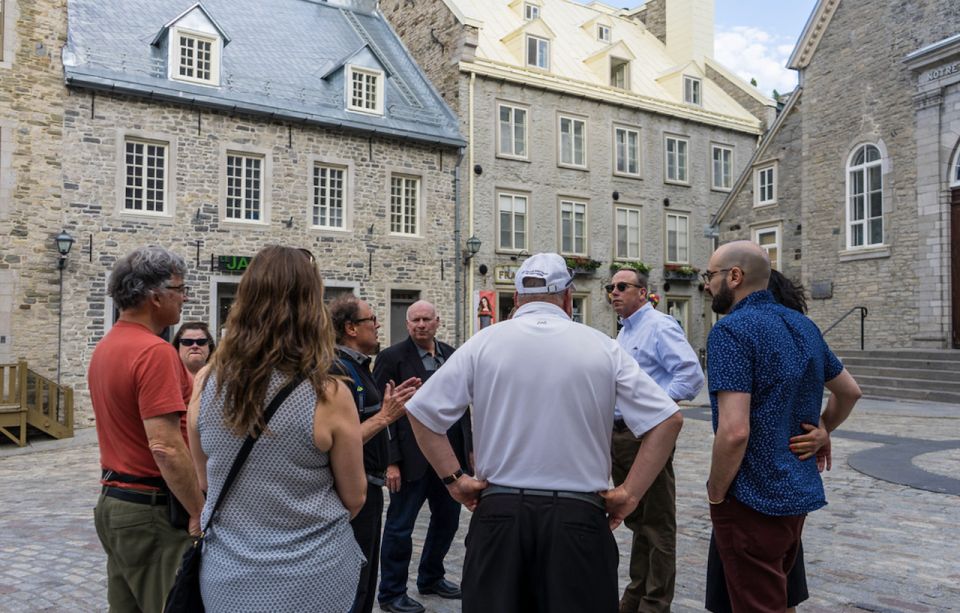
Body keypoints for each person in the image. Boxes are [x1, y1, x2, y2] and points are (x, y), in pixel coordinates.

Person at [403, 253, 684, 613]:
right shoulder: (602, 346)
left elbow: (422, 413)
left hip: (500, 513)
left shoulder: (484, 343)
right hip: (577, 516)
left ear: (518, 298)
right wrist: (629, 494)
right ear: (568, 297)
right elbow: (668, 419)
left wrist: (455, 480)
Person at [186, 245, 366, 613]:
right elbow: (355, 498)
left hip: (229, 575)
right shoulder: (329, 394)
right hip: (315, 573)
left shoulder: (206, 384)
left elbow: (204, 479)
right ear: (312, 307)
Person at [703, 241, 862, 612]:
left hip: (751, 495)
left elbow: (734, 431)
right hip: (796, 491)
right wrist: (824, 427)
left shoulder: (731, 332)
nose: (707, 284)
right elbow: (850, 392)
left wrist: (715, 492)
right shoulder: (803, 325)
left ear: (735, 276)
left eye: (710, 275)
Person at [88, 246, 205, 613]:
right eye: (180, 288)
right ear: (156, 297)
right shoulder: (154, 352)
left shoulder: (107, 346)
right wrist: (199, 511)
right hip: (151, 510)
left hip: (116, 502)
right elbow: (166, 447)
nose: (185, 297)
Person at [607, 268, 704, 613]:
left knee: (658, 523)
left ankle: (655, 602)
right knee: (636, 518)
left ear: (643, 292)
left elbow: (691, 375)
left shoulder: (659, 326)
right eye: (610, 287)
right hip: (622, 436)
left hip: (646, 435)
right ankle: (636, 594)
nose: (613, 292)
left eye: (622, 286)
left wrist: (655, 410)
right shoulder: (625, 333)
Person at [375, 300, 472, 613]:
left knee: (447, 522)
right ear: (407, 325)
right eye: (414, 320)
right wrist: (390, 461)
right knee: (400, 528)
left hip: (449, 460)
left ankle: (431, 577)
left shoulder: (451, 355)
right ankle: (391, 593)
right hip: (411, 460)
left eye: (426, 319)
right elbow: (383, 413)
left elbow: (464, 409)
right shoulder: (392, 358)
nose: (420, 325)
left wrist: (468, 455)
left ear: (437, 321)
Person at [328, 294, 420, 613]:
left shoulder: (359, 367)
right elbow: (342, 441)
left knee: (365, 580)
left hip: (368, 487)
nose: (378, 324)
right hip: (353, 492)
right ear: (351, 328)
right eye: (371, 319)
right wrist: (385, 416)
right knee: (353, 582)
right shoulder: (337, 372)